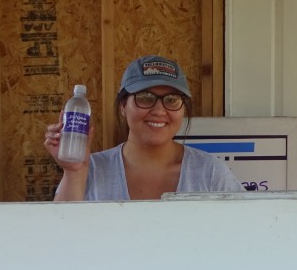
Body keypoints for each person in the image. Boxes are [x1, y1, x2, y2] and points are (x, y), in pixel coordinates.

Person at [44, 55, 244, 200]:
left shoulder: (208, 171)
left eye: (172, 100)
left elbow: (246, 232)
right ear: (123, 106)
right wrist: (74, 172)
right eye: (145, 98)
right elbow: (63, 237)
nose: (159, 110)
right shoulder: (91, 169)